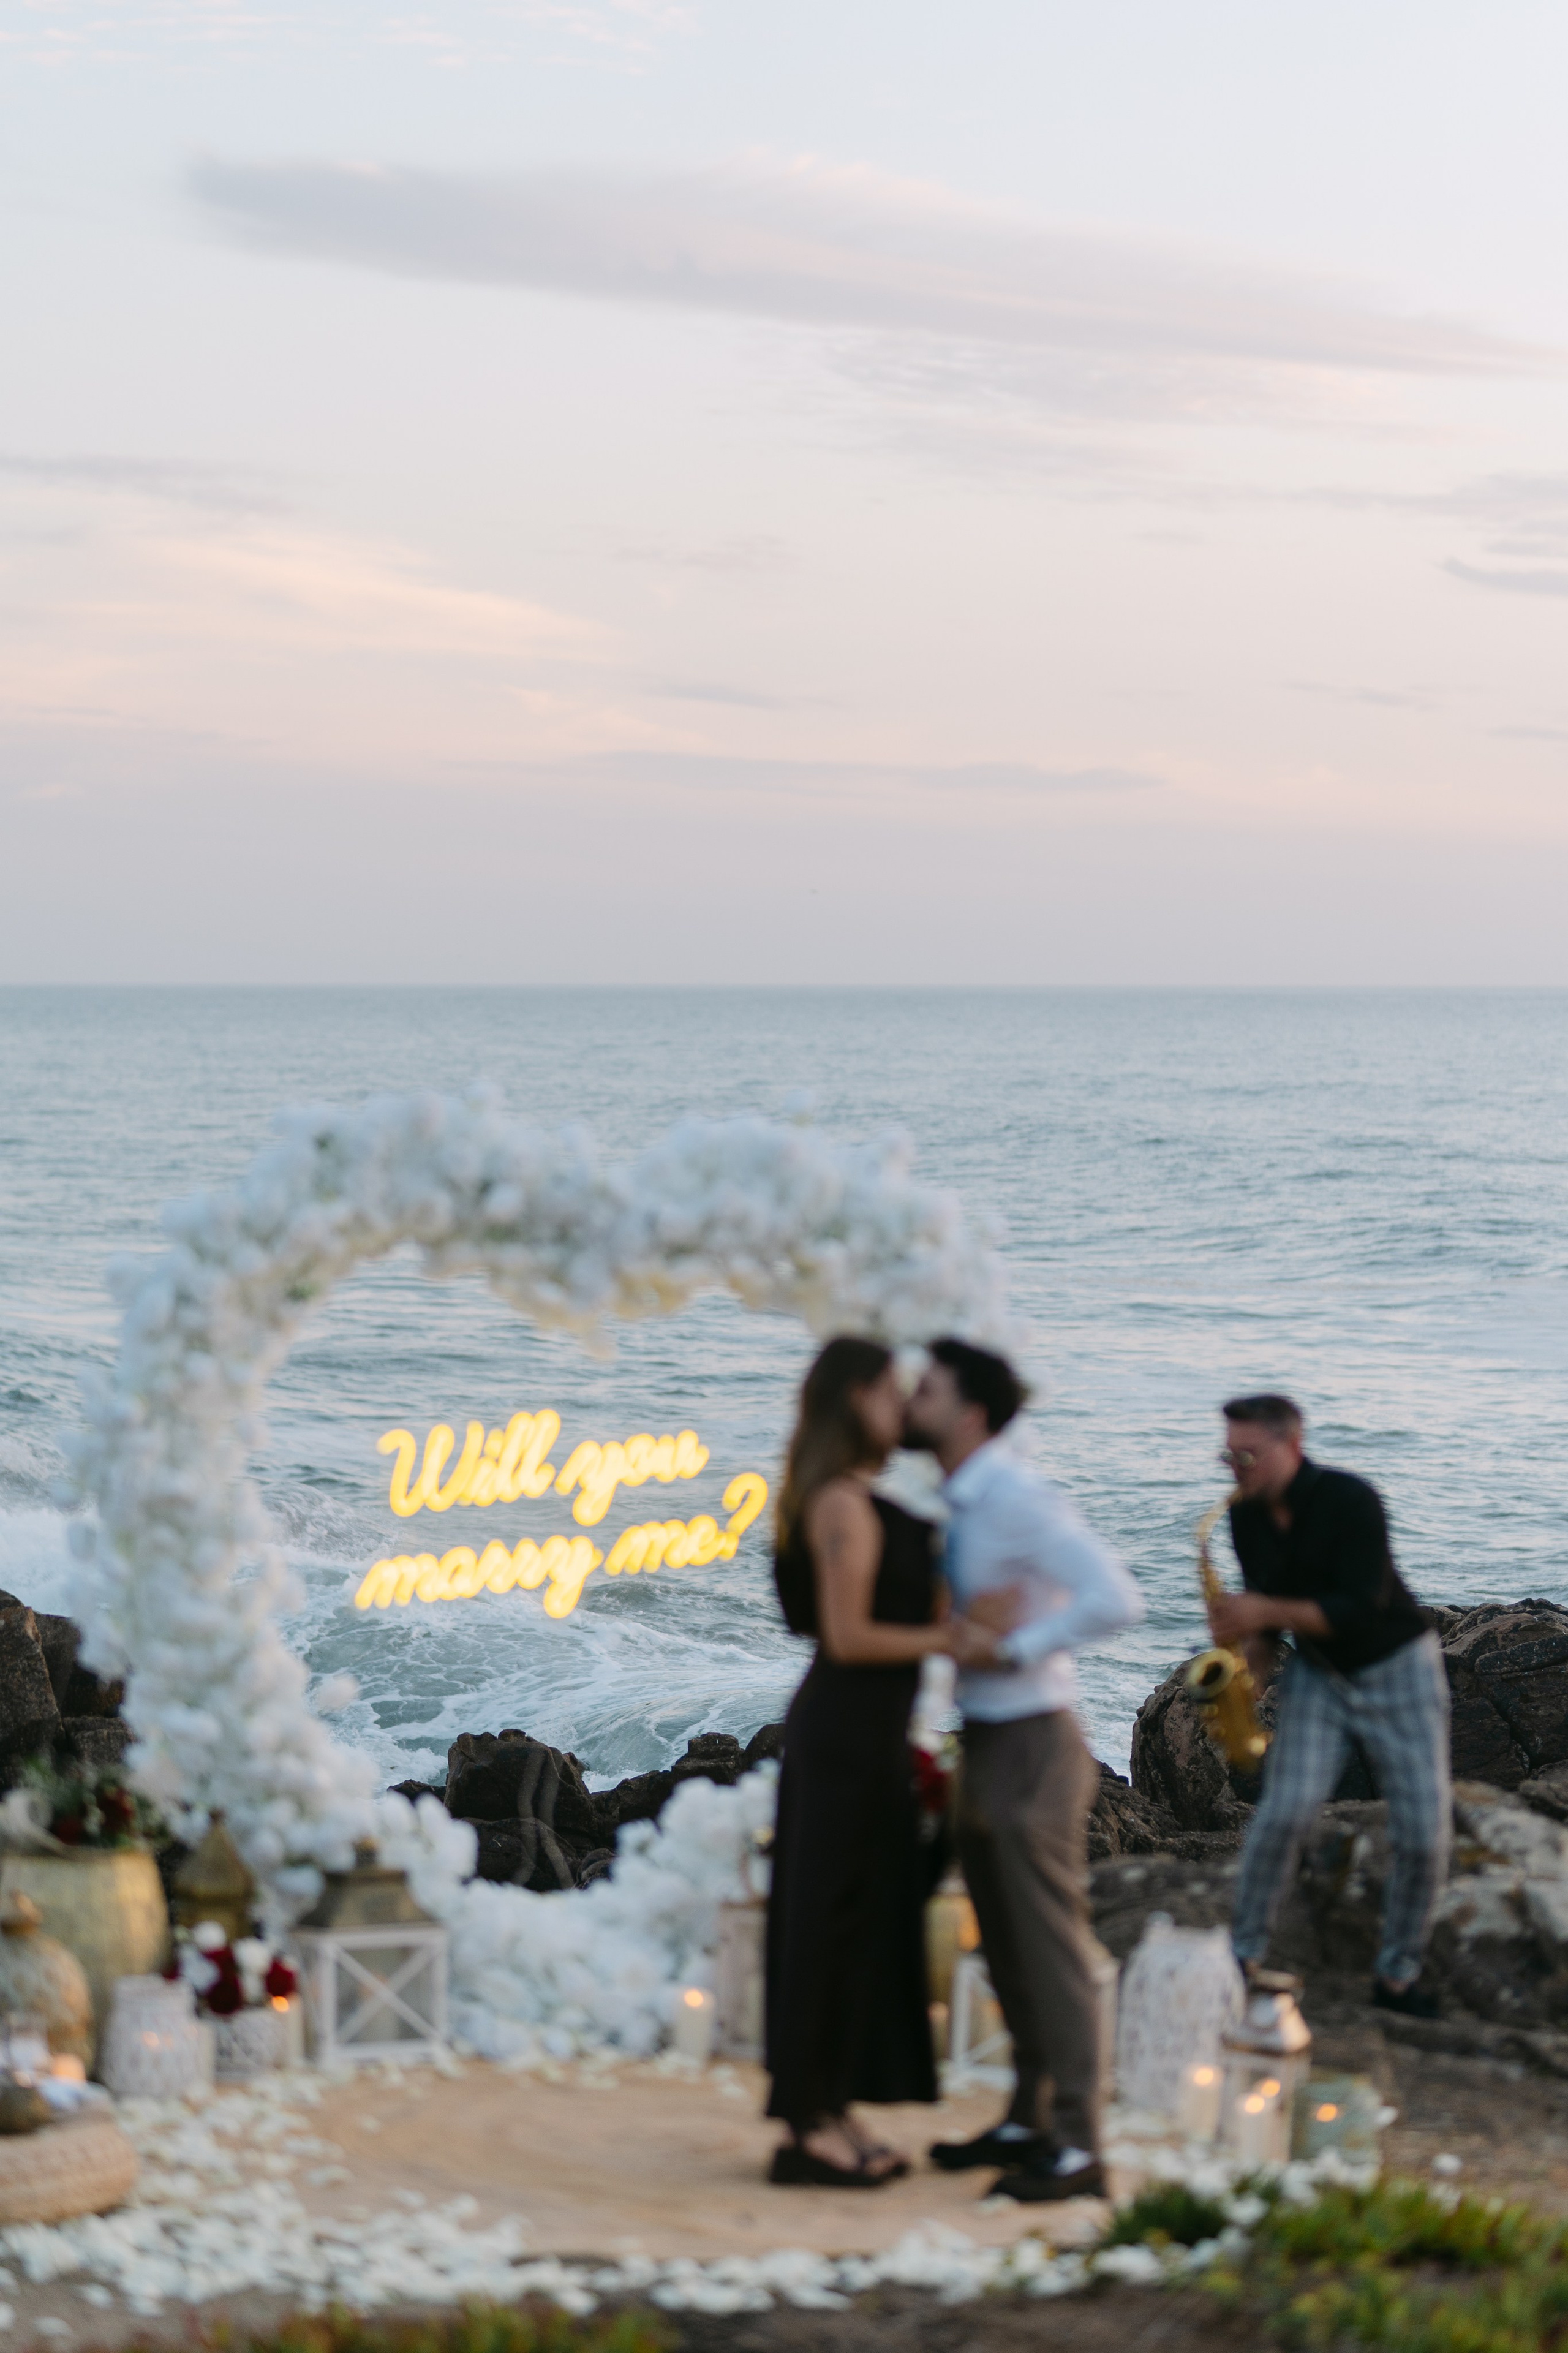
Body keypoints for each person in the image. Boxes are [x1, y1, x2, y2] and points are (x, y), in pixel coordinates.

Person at [903, 1338, 1144, 2204]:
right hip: (989, 1738)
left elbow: (1116, 1596)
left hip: (1036, 1742)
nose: (908, 1398)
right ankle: (1027, 2119)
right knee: (1003, 1942)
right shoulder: (966, 1497)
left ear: (968, 1413)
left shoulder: (1013, 1494)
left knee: (1049, 1949)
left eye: (924, 1388)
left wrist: (1015, 1647)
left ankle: (1081, 2150)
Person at [765, 1334, 970, 2187]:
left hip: (867, 1732)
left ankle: (834, 2108)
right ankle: (810, 2124)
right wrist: (952, 1637)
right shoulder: (841, 1503)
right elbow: (848, 1636)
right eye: (893, 1391)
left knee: (861, 1918)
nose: (903, 1408)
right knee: (832, 1921)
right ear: (857, 1398)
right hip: (846, 1733)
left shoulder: (848, 1496)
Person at [1209, 1394, 1450, 2018]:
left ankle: (1397, 1975)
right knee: (1281, 1814)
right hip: (1318, 1674)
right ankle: (1241, 1957)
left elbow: (1356, 1607)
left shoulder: (1350, 1500)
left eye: (1247, 1455)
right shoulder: (1244, 1517)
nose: (1234, 1467)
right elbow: (1266, 1617)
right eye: (1227, 1454)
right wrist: (1247, 1678)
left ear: (1291, 1446)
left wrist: (1261, 1611)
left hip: (1398, 1668)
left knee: (1423, 1834)